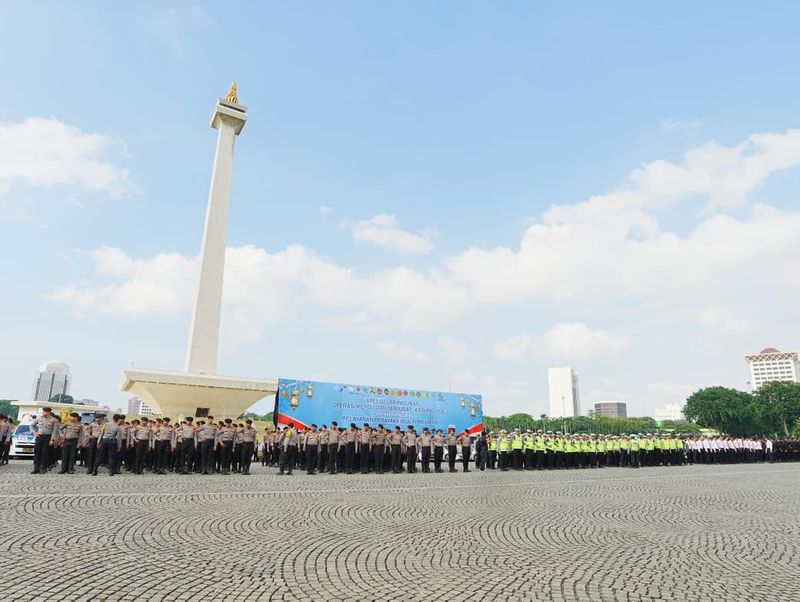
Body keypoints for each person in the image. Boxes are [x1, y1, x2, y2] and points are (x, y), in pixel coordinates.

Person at [29, 407, 58, 474]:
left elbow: (54, 430)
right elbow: (31, 425)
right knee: (37, 452)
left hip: (48, 437)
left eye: (45, 411)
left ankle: (42, 468)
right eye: (43, 411)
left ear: (48, 412)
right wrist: (34, 433)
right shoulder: (39, 418)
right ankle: (36, 468)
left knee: (45, 453)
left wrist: (52, 439)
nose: (43, 413)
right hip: (39, 437)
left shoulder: (54, 420)